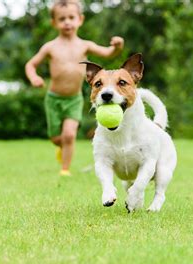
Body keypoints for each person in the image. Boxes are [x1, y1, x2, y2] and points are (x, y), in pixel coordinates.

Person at [25, 0, 124, 176]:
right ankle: (60, 146)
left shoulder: (85, 45)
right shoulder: (50, 47)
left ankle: (65, 169)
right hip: (53, 98)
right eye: (62, 19)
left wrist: (117, 46)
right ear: (54, 23)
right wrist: (34, 77)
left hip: (74, 99)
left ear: (80, 19)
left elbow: (108, 53)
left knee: (69, 135)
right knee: (57, 138)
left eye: (71, 17)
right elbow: (30, 65)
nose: (67, 22)